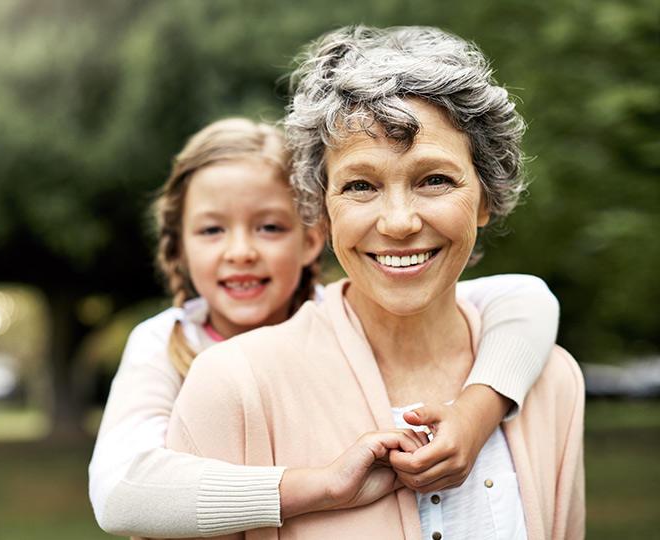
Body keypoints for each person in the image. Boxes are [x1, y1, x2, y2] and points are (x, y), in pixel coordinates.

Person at [165, 26, 584, 540]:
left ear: (485, 199)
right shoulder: (233, 385)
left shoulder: (552, 381)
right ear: (323, 211)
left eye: (434, 179)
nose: (399, 222)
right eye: (360, 185)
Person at [90, 116, 562, 538]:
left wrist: (478, 412)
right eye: (212, 230)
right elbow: (120, 490)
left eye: (269, 228)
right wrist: (320, 486)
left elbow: (526, 298)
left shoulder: (349, 314)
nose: (240, 252)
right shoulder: (166, 341)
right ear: (178, 247)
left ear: (315, 235)